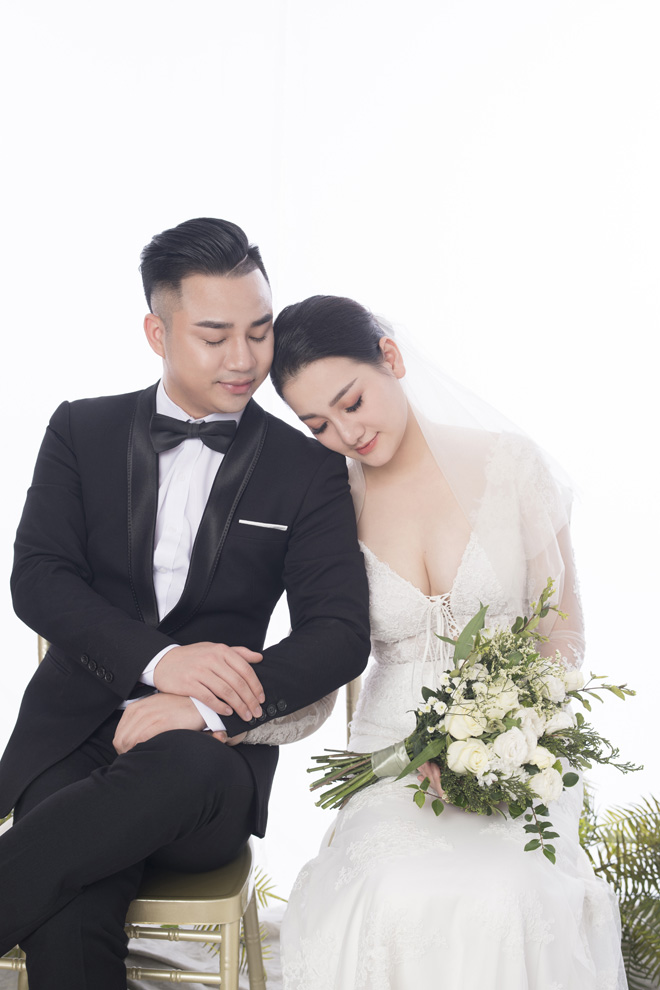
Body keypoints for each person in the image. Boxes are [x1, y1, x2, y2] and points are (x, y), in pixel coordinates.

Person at [0, 222, 370, 989]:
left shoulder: (308, 469)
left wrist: (204, 707)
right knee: (71, 894)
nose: (245, 359)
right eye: (214, 336)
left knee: (156, 787)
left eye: (259, 332)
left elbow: (338, 634)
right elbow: (39, 577)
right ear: (157, 333)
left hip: (208, 764)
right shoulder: (81, 429)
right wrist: (162, 661)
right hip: (71, 738)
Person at [267, 295, 627, 989]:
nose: (347, 432)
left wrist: (508, 729)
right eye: (319, 425)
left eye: (352, 401)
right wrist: (220, 714)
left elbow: (563, 630)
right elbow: (320, 654)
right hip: (389, 755)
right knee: (393, 892)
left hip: (520, 748)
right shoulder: (329, 503)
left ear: (391, 358)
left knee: (509, 893)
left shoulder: (511, 467)